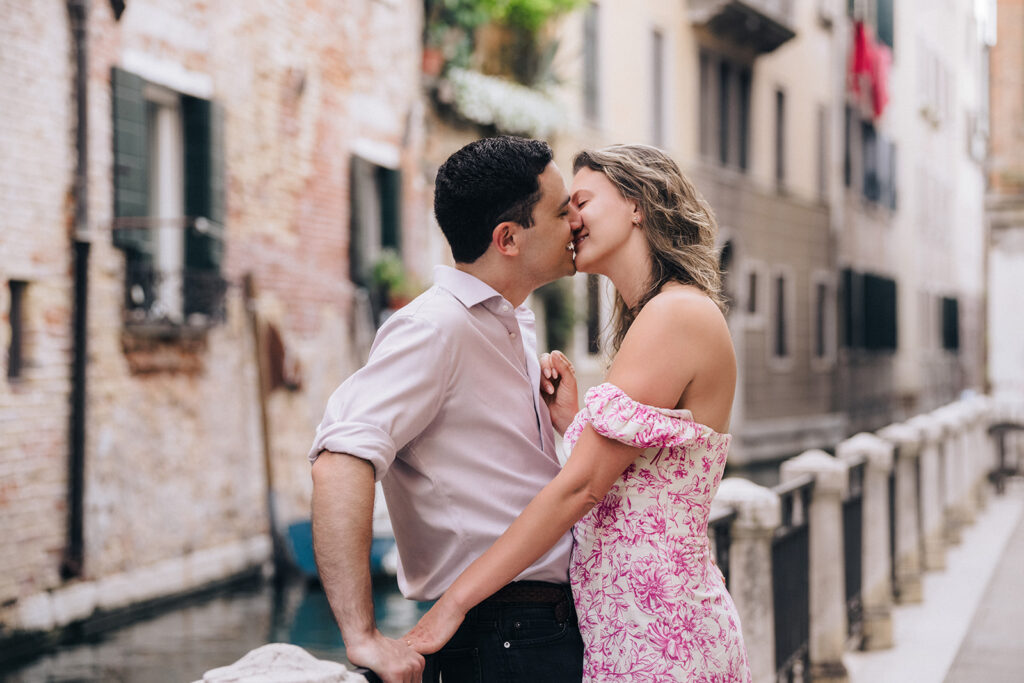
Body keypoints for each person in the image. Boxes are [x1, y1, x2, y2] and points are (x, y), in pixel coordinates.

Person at [406, 144, 753, 681]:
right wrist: (575, 424)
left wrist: (455, 602)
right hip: (636, 628)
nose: (570, 220)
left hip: (660, 634)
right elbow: (635, 481)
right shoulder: (660, 317)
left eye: (582, 202)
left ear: (636, 205)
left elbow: (581, 489)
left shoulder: (675, 313)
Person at [308, 136, 585, 683]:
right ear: (507, 238)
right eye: (561, 211)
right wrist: (362, 637)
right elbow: (340, 458)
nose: (576, 221)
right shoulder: (435, 327)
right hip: (502, 637)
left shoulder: (506, 323)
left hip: (532, 629)